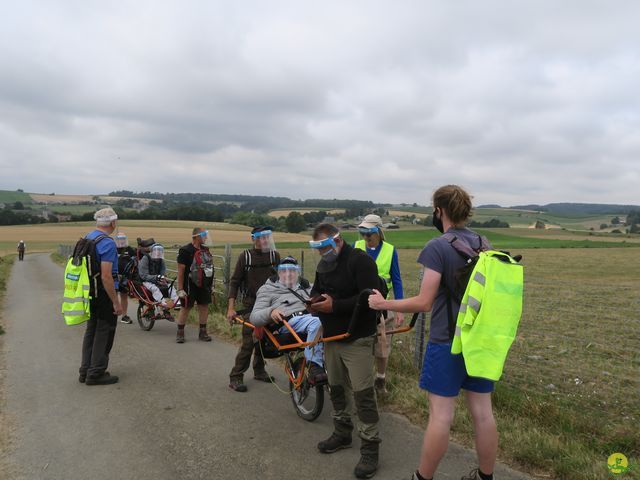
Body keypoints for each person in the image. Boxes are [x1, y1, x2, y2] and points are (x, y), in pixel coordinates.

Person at [368, 185, 498, 480]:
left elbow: (424, 302)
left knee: (441, 416)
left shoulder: (437, 246)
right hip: (479, 341)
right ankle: (485, 477)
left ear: (439, 211)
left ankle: (422, 478)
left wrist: (382, 302)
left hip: (447, 342)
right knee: (483, 413)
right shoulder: (483, 242)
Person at [308, 223, 382, 479]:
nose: (322, 254)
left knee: (363, 395)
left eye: (325, 248)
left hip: (357, 338)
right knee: (336, 387)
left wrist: (335, 306)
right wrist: (315, 301)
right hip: (332, 337)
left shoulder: (360, 262)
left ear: (338, 241)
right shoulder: (323, 265)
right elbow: (318, 289)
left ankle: (370, 450)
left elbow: (373, 298)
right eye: (319, 249)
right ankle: (342, 433)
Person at [249, 256, 327, 384]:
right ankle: (314, 365)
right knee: (317, 323)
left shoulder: (308, 287)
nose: (288, 273)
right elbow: (254, 317)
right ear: (279, 273)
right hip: (287, 323)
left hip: (310, 318)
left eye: (292, 270)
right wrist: (270, 312)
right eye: (284, 270)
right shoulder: (267, 289)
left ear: (297, 272)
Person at [354, 214, 404, 395]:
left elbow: (397, 281)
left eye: (370, 233)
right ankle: (362, 381)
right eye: (363, 232)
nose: (366, 237)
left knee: (382, 345)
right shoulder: (357, 247)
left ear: (379, 232)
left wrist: (399, 309)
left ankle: (381, 379)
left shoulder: (390, 251)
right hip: (360, 306)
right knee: (360, 345)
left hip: (383, 306)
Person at [226, 226, 280, 392]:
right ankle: (236, 376)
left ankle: (259, 370)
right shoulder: (246, 257)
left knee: (265, 340)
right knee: (249, 342)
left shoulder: (274, 256)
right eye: (261, 237)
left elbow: (282, 280)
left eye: (267, 237)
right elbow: (234, 282)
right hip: (252, 306)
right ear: (253, 239)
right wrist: (231, 308)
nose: (264, 240)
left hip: (272, 306)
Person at [79, 208, 123, 386]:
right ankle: (96, 372)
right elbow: (106, 276)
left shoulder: (87, 237)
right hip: (103, 293)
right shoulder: (107, 243)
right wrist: (116, 302)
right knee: (104, 332)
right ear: (112, 223)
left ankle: (85, 370)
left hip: (88, 292)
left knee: (91, 331)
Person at [175, 228, 214, 343]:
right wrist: (180, 288)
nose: (206, 238)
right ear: (197, 237)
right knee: (186, 307)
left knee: (204, 306)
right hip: (189, 285)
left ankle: (203, 332)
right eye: (204, 235)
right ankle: (180, 333)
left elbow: (210, 268)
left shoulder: (205, 250)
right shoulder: (185, 250)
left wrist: (211, 285)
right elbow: (181, 270)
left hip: (203, 284)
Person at [138, 243, 179, 310]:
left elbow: (163, 272)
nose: (158, 253)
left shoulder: (161, 260)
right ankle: (163, 302)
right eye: (157, 251)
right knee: (155, 289)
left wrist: (163, 279)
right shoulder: (145, 259)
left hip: (158, 279)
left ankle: (176, 301)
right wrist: (157, 277)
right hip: (146, 281)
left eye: (160, 251)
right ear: (152, 251)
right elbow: (143, 275)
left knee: (170, 286)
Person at [115, 232, 136, 324]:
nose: (121, 241)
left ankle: (124, 316)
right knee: (113, 296)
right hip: (114, 276)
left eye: (123, 239)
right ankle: (112, 315)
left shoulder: (129, 249)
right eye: (120, 239)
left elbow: (136, 257)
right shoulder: (112, 248)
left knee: (124, 296)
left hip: (125, 277)